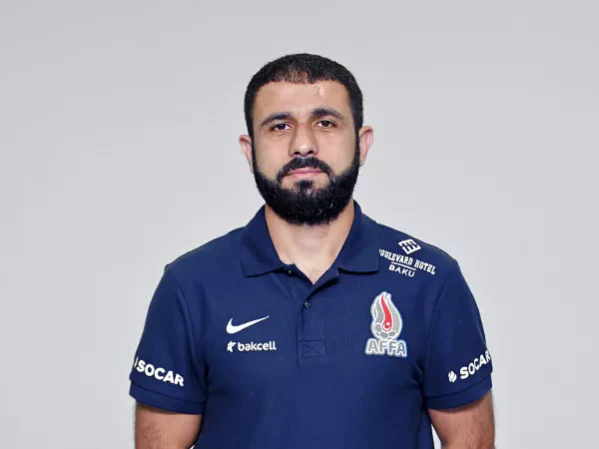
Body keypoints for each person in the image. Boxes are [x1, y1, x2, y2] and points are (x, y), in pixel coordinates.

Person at [129, 53, 495, 449]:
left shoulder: (431, 280)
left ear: (362, 143)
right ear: (250, 151)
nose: (302, 143)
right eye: (279, 126)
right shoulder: (190, 285)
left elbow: (471, 443)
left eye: (325, 123)